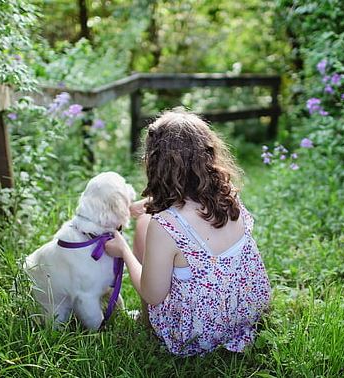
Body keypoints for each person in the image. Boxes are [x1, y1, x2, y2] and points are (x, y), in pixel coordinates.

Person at [105, 109, 271, 356]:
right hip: (246, 313)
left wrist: (124, 251)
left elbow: (153, 294)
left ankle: (147, 322)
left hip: (197, 332)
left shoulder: (164, 225)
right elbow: (193, 216)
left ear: (157, 163)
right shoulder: (229, 197)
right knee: (150, 224)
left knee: (143, 225)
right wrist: (154, 204)